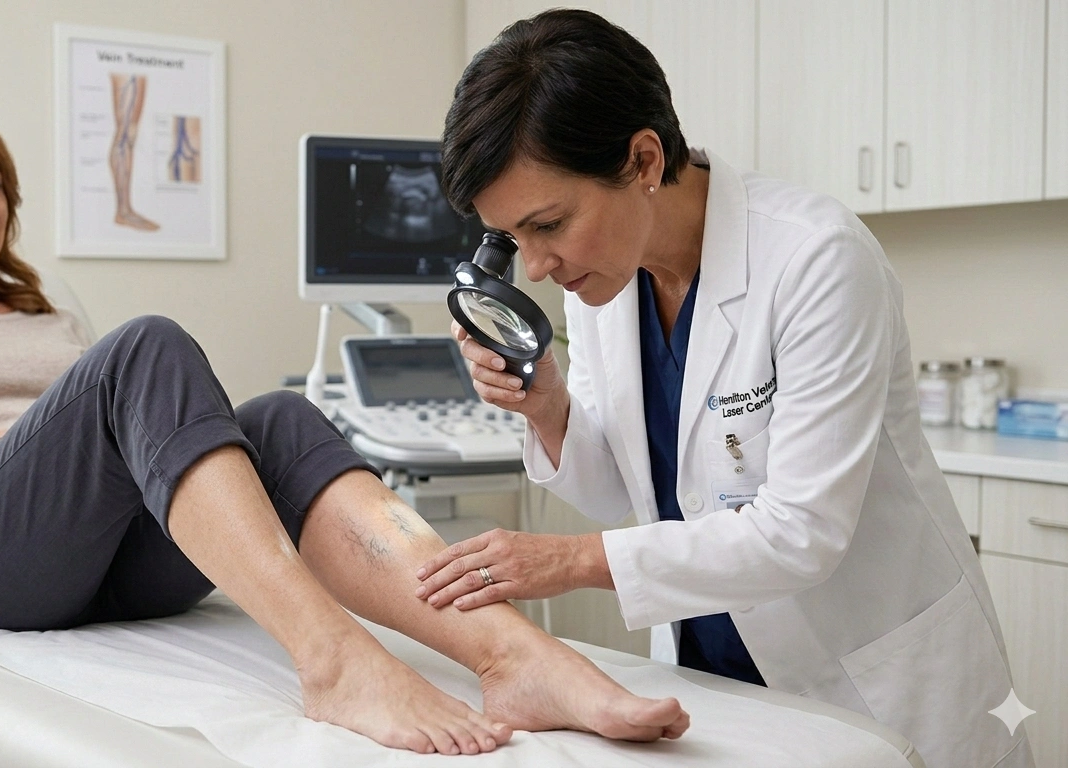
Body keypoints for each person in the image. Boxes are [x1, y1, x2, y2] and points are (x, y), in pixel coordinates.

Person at [0, 102, 692, 757]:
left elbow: (111, 446)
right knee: (145, 344)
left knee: (278, 417)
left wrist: (92, 436)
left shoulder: (44, 315)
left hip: (103, 565)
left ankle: (513, 652)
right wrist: (20, 443)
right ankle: (333, 656)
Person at [420, 10, 1032, 768]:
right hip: (715, 670)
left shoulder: (815, 258)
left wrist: (564, 562)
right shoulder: (603, 284)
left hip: (873, 675)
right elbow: (632, 502)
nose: (537, 267)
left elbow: (800, 533)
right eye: (515, 240)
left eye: (549, 224)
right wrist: (546, 405)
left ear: (644, 159)